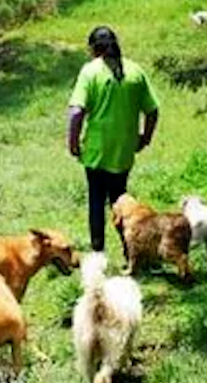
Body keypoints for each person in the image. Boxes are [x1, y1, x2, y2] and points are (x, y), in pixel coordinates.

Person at [67, 26, 160, 251]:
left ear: (93, 49)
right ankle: (131, 249)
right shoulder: (135, 71)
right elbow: (152, 110)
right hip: (124, 151)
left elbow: (77, 112)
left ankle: (98, 249)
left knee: (96, 203)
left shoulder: (90, 72)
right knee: (122, 202)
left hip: (97, 151)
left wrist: (73, 141)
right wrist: (144, 138)